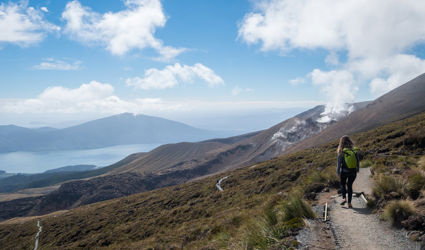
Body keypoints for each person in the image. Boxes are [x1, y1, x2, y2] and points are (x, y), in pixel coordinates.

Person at [336, 135, 359, 208]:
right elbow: (358, 161)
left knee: (343, 184)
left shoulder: (341, 151)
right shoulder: (353, 150)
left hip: (344, 171)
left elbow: (339, 163)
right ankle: (349, 203)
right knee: (349, 186)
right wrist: (357, 168)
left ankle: (344, 198)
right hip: (353, 171)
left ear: (341, 142)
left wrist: (338, 172)